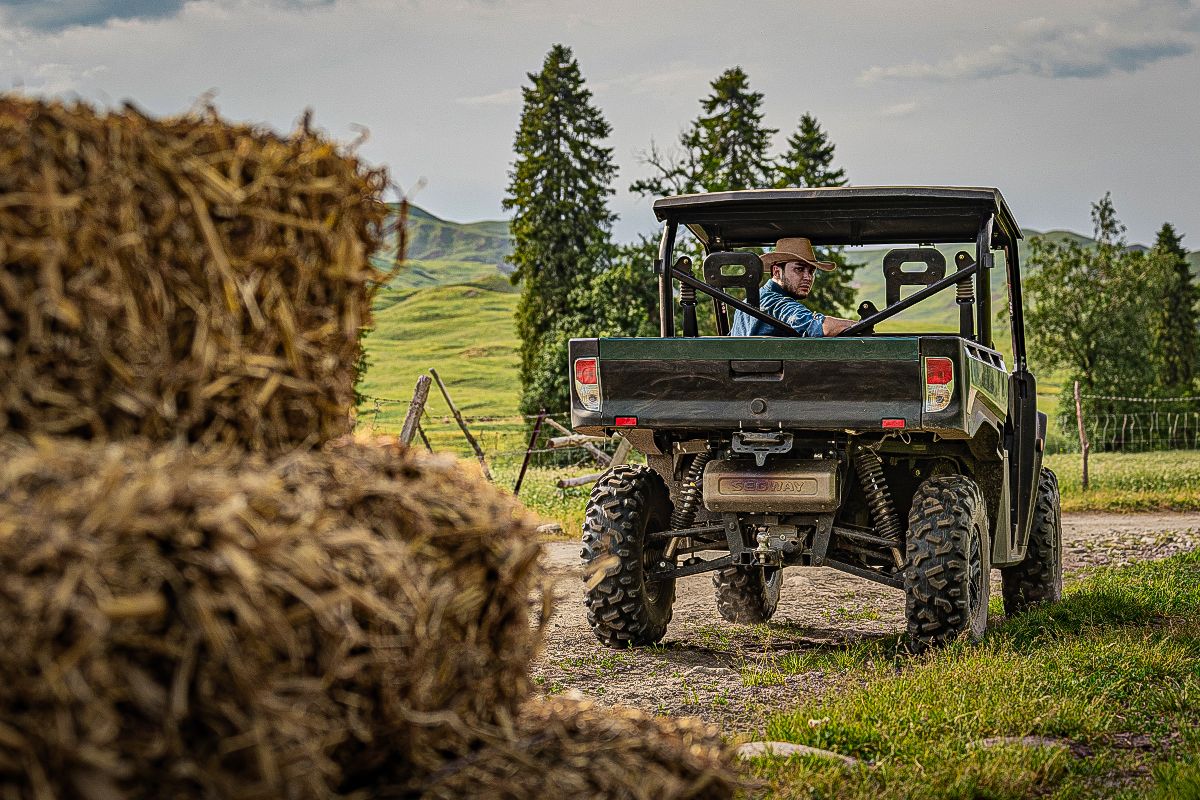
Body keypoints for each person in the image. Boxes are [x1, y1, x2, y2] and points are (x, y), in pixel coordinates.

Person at [730, 237, 856, 337]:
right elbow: (821, 327)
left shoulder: (747, 303)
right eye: (799, 269)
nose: (808, 277)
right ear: (777, 272)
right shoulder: (775, 302)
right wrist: (860, 325)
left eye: (811, 271)